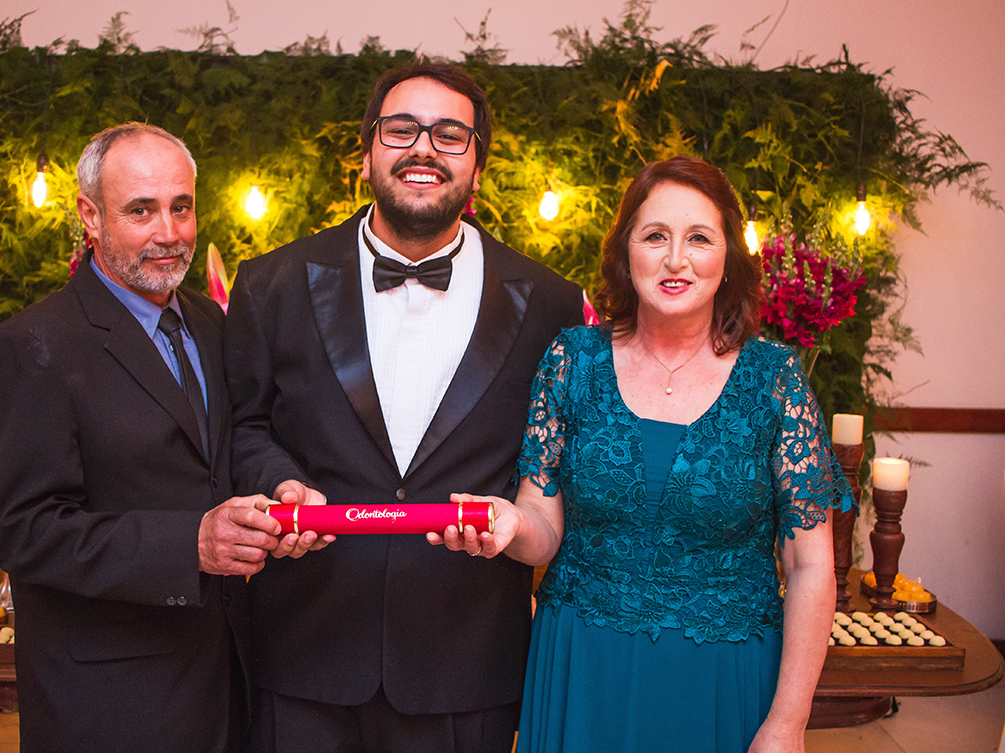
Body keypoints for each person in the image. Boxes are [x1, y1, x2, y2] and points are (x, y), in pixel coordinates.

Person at [432, 156, 853, 752]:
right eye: (655, 236)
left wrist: (788, 722)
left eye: (699, 238)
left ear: (728, 258)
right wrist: (506, 524)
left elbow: (811, 566)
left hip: (722, 681)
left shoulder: (774, 381)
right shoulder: (571, 361)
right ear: (626, 253)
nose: (676, 259)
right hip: (584, 668)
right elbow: (542, 526)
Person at [225, 61, 584, 753]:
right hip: (304, 654)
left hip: (464, 664)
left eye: (451, 135)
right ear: (365, 154)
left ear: (478, 166)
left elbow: (550, 468)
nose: (423, 149)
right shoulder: (270, 283)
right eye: (401, 130)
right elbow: (242, 427)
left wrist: (511, 518)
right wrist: (279, 484)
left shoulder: (551, 304)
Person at [0, 122, 284, 753]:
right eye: (141, 210)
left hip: (224, 676)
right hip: (110, 701)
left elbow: (223, 456)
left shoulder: (209, 323)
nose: (168, 233)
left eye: (181, 207)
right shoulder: (30, 349)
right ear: (91, 216)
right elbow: (24, 532)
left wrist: (278, 492)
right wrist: (187, 543)